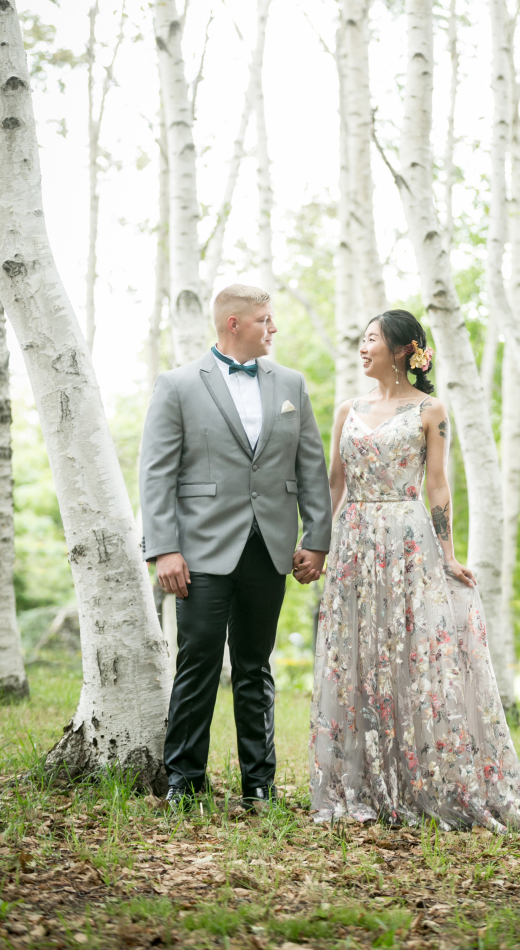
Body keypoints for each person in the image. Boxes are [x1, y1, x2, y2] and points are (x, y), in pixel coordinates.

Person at [309, 309, 520, 834]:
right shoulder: (347, 409)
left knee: (409, 656)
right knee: (360, 659)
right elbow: (333, 485)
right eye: (361, 339)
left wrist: (449, 553)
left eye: (371, 340)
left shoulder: (431, 411)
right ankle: (362, 785)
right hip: (354, 547)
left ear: (401, 349)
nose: (361, 348)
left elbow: (438, 485)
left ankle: (421, 783)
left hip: (408, 543)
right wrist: (318, 544)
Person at [140, 284, 332, 810]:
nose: (273, 329)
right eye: (265, 320)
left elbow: (310, 467)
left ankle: (259, 784)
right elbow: (156, 474)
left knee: (255, 665)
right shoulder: (177, 385)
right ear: (234, 325)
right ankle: (184, 781)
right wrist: (163, 549)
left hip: (270, 547)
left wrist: (316, 540)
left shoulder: (291, 383)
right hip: (197, 551)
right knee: (197, 661)